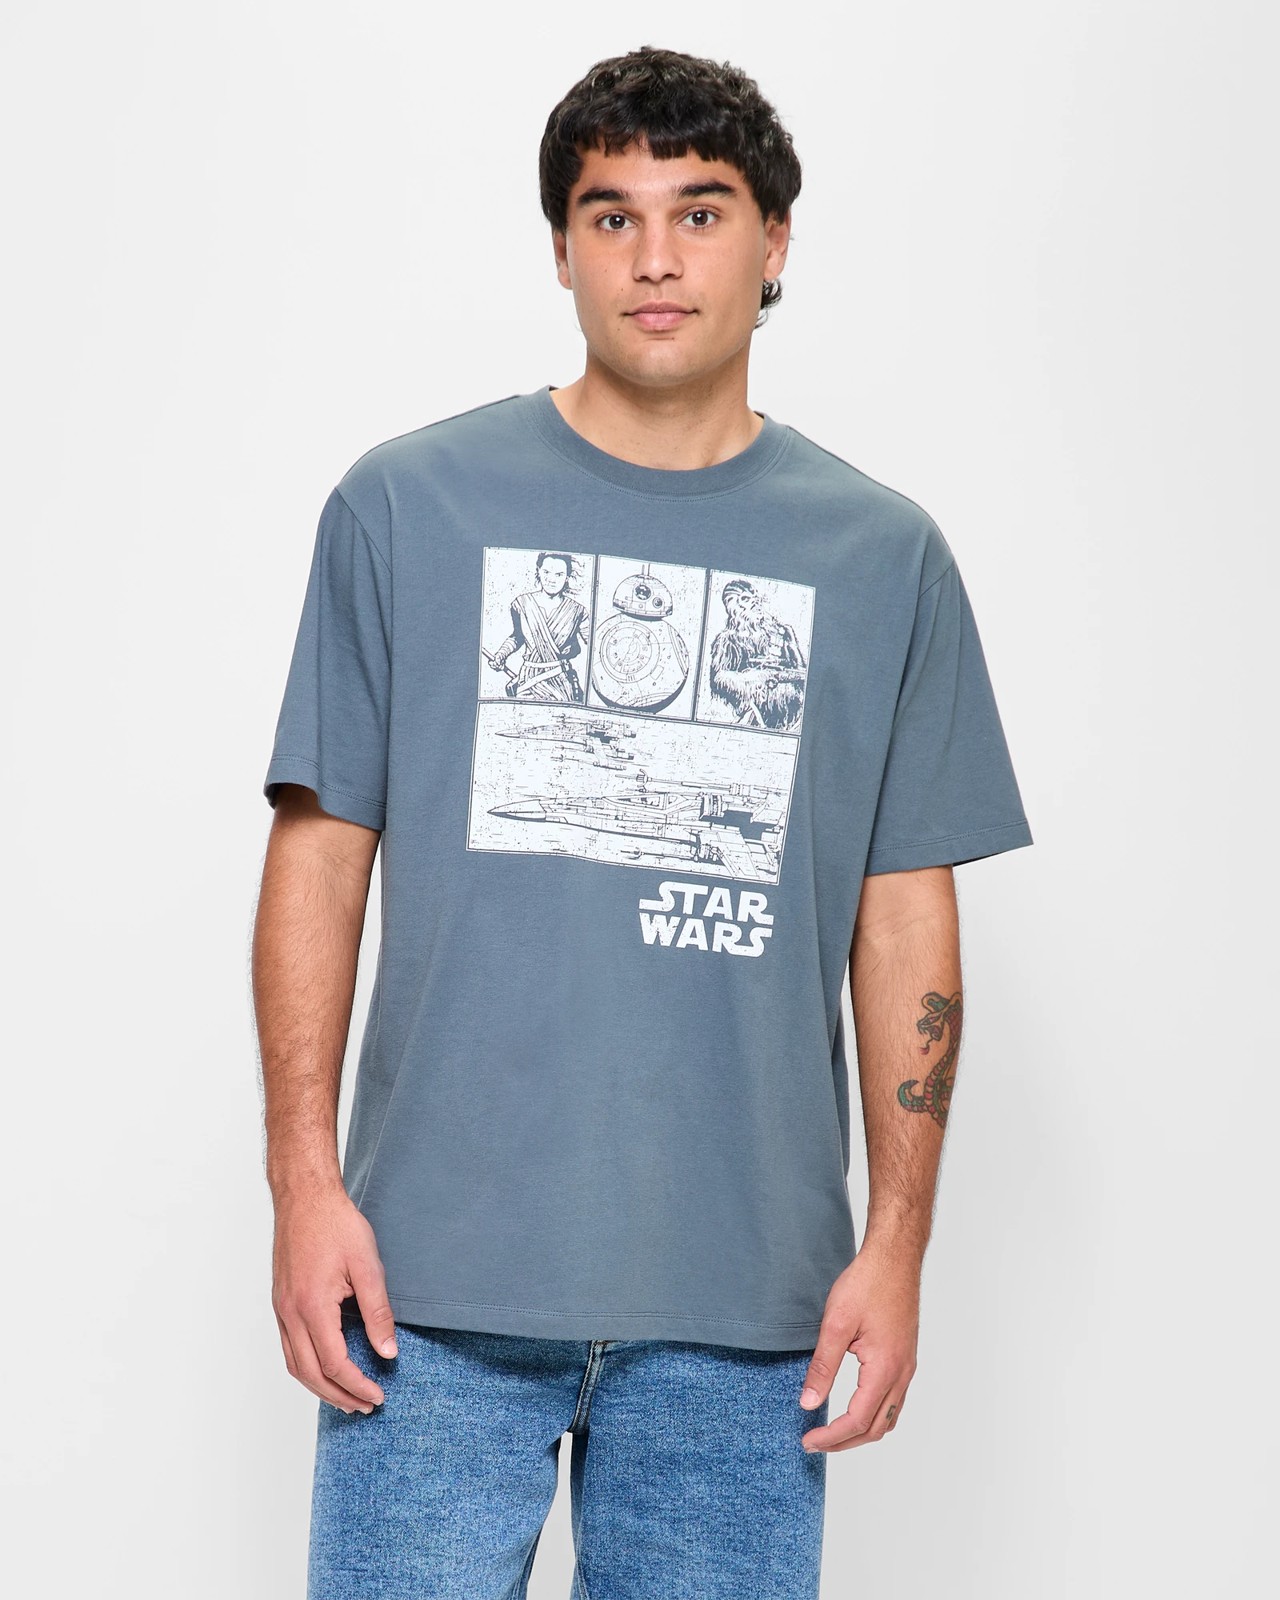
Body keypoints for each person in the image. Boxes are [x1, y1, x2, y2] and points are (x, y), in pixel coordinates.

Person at [252, 43, 1033, 1600]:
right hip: (427, 1292)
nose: (657, 257)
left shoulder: (882, 557)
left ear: (775, 241)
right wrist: (302, 1185)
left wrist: (898, 1243)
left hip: (744, 1313)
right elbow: (320, 860)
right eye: (612, 216)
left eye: (702, 211)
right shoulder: (407, 507)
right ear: (563, 247)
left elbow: (904, 913)